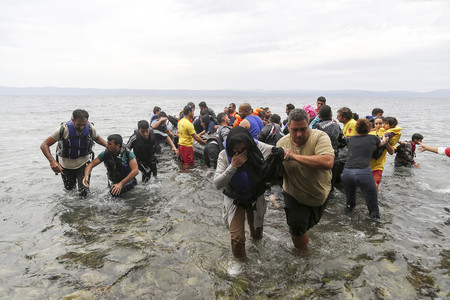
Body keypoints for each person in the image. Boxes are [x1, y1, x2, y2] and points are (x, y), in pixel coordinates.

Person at [213, 126, 284, 259]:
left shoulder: (258, 148)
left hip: (256, 196)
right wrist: (233, 166)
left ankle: (258, 253)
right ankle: (242, 264)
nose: (239, 150)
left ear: (248, 142)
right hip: (234, 197)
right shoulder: (223, 155)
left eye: (242, 145)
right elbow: (217, 183)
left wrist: (282, 153)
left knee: (257, 233)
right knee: (237, 237)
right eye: (235, 147)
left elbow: (277, 151)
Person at [276, 109, 334, 251]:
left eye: (303, 129)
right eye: (294, 130)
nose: (299, 134)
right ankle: (303, 257)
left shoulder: (320, 137)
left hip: (318, 194)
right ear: (288, 127)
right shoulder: (281, 143)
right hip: (293, 193)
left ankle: (296, 230)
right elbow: (278, 171)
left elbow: (327, 162)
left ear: (309, 125)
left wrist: (294, 156)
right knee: (297, 227)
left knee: (307, 225)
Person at [40, 109, 107, 196]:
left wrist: (109, 146)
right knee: (69, 193)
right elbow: (44, 145)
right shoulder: (63, 129)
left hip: (83, 164)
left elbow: (97, 138)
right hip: (65, 166)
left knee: (84, 192)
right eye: (79, 124)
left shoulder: (90, 128)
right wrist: (52, 161)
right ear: (72, 120)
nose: (82, 127)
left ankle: (85, 209)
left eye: (84, 124)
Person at [340, 119, 389, 218]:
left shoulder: (351, 139)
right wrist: (385, 139)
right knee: (373, 207)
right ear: (369, 129)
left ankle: (346, 223)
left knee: (350, 204)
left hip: (346, 173)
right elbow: (381, 143)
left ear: (356, 129)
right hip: (363, 172)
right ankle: (375, 229)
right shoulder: (373, 138)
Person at [313, 105, 347, 187]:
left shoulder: (318, 126)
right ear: (331, 115)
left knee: (321, 184)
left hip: (322, 158)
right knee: (331, 184)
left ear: (319, 116)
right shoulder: (336, 125)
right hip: (334, 158)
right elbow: (343, 142)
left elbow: (313, 143)